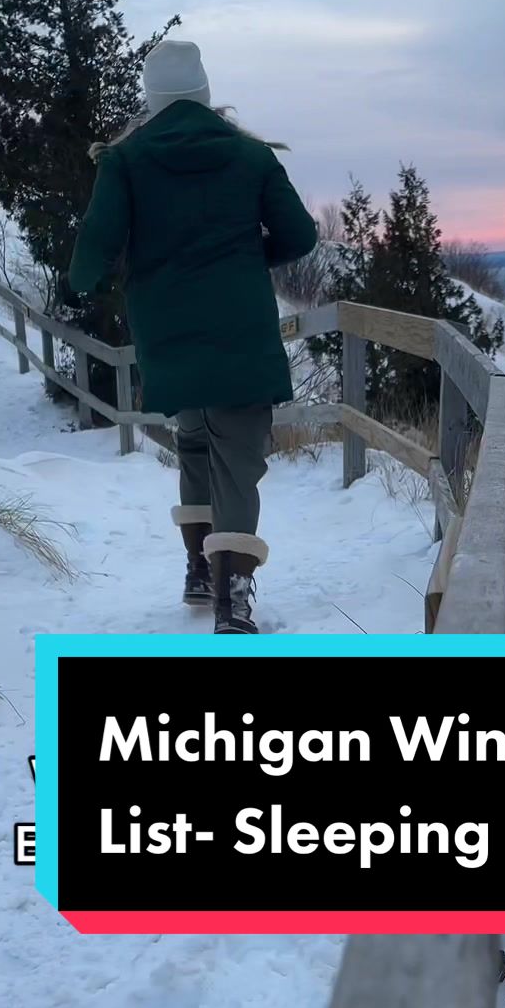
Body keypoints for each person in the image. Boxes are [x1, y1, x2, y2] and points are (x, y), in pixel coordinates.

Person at [68, 38, 317, 634]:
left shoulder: (125, 161)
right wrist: (249, 258)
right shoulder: (249, 155)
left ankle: (200, 573)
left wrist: (98, 281)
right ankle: (233, 596)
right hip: (240, 327)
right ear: (204, 93)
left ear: (153, 100)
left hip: (167, 328)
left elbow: (93, 253)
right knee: (238, 452)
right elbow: (300, 236)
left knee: (196, 438)